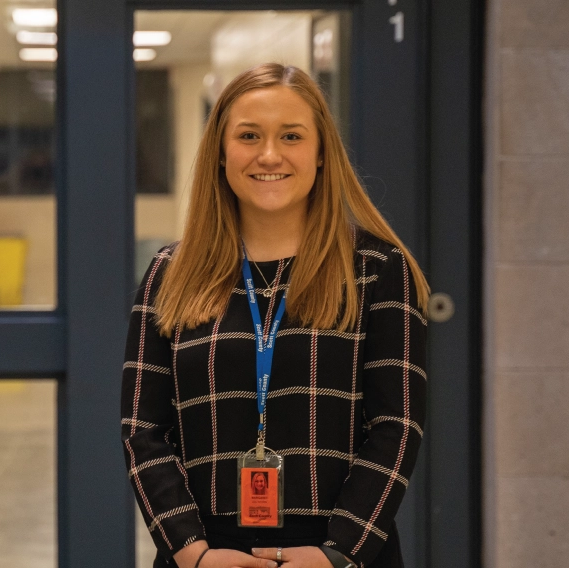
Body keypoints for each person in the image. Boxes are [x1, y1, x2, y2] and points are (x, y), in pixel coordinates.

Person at [121, 63, 429, 568]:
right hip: (206, 554)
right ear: (221, 154)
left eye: (291, 135)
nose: (269, 155)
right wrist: (191, 552)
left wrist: (338, 553)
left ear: (321, 152)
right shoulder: (170, 274)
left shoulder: (377, 272)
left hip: (338, 552)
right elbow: (143, 428)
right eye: (249, 136)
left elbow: (397, 425)